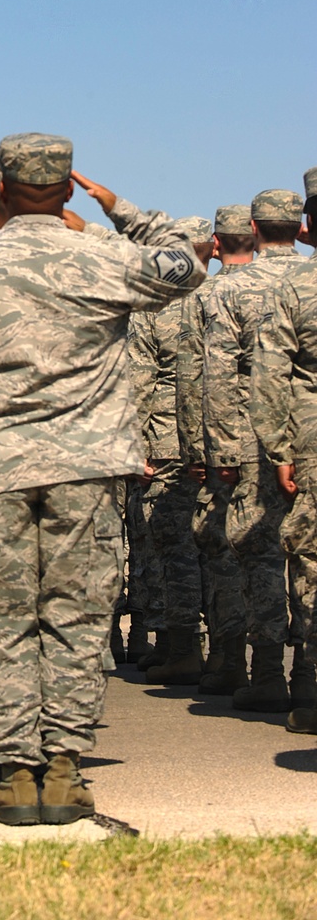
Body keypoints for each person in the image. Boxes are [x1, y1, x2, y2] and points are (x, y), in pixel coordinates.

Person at [0, 134, 205, 825]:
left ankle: (14, 771)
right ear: (68, 190)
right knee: (77, 615)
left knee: (4, 617)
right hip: (87, 468)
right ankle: (64, 768)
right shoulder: (104, 257)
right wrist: (116, 211)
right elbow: (187, 261)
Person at [202, 188, 306, 713]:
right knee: (310, 553)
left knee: (259, 550)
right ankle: (307, 671)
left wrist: (221, 451)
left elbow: (217, 373)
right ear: (300, 228)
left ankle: (266, 672)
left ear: (255, 228)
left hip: (253, 434)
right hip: (309, 429)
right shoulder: (310, 278)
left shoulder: (227, 289)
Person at [128, 218, 214, 686]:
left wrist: (133, 445)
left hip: (167, 441)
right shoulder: (220, 295)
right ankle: (225, 651)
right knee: (219, 545)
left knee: (173, 543)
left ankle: (181, 647)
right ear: (211, 248)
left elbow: (139, 381)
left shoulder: (154, 305)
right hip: (223, 441)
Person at [250, 167, 317, 733]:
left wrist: (278, 449)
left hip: (312, 440)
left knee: (313, 565)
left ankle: (312, 687)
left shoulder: (295, 289)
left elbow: (271, 374)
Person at [177, 204, 254, 694]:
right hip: (294, 441)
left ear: (218, 243)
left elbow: (195, 379)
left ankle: (232, 660)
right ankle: (297, 671)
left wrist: (196, 451)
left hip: (229, 443)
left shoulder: (207, 295)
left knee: (225, 549)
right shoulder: (302, 282)